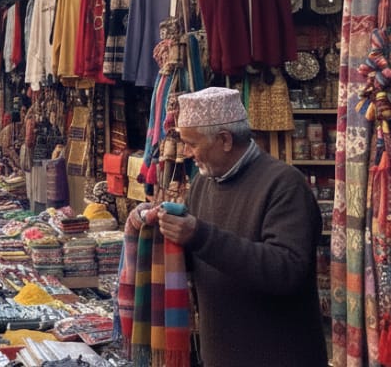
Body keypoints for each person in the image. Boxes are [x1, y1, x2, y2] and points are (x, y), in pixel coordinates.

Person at [129, 87, 327, 366]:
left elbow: (286, 269)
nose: (186, 153)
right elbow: (202, 258)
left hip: (279, 356)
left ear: (224, 139)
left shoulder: (284, 185)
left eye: (192, 143)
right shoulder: (203, 182)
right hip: (220, 354)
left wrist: (199, 235)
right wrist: (160, 232)